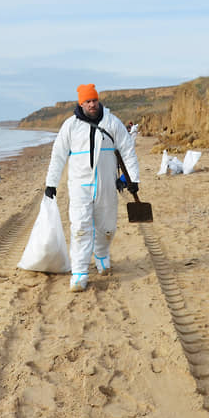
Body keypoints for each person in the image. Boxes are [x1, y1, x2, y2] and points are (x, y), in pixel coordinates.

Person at [45, 84, 140, 292]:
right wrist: (51, 183)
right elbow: (58, 156)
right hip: (80, 186)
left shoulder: (111, 122)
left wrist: (132, 178)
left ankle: (102, 254)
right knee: (80, 228)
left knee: (107, 227)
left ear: (98, 101)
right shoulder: (70, 126)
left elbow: (127, 150)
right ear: (81, 103)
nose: (91, 104)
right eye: (87, 101)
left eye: (94, 100)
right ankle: (79, 273)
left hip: (106, 185)